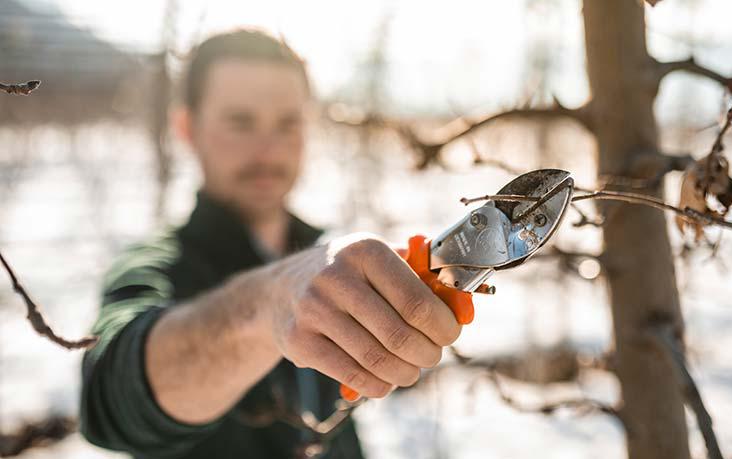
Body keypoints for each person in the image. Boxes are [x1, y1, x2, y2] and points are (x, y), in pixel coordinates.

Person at [79, 29, 461, 459]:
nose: (268, 149)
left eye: (288, 123)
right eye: (240, 122)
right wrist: (267, 304)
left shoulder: (326, 261)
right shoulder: (157, 266)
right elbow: (111, 400)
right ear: (188, 128)